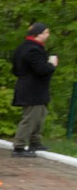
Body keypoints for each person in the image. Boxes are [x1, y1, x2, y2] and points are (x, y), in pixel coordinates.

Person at [11, 22, 58, 158]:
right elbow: (41, 69)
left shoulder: (23, 47)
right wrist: (51, 64)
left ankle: (35, 142)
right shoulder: (33, 49)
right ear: (38, 34)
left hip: (33, 88)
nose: (48, 35)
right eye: (46, 32)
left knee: (39, 115)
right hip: (32, 89)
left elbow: (15, 69)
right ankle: (19, 147)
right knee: (30, 118)